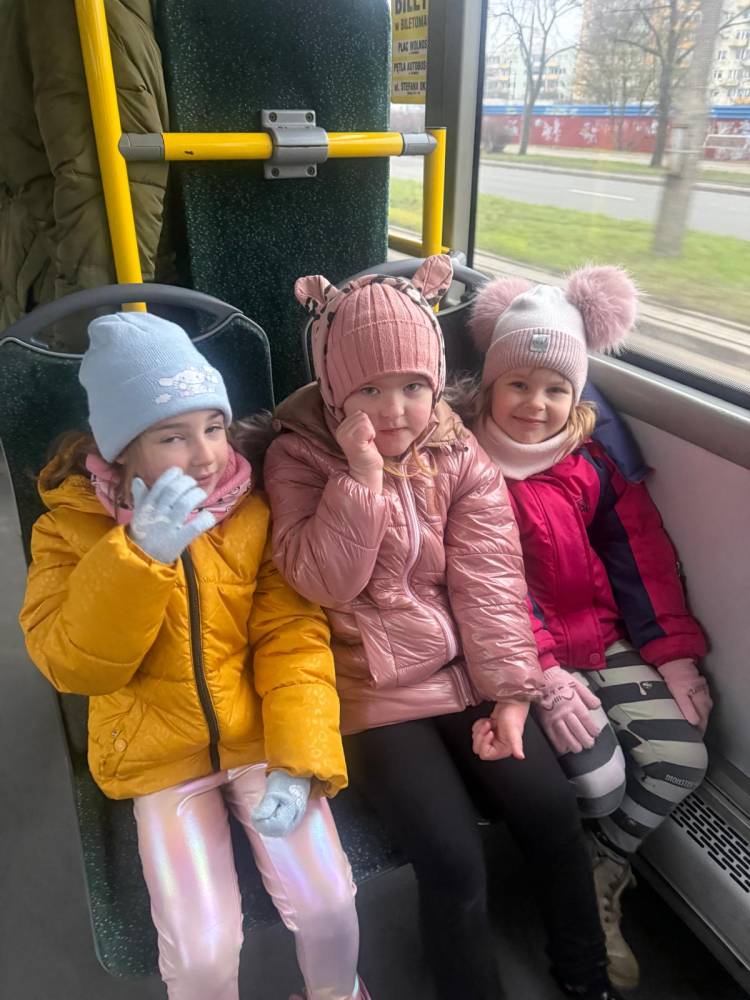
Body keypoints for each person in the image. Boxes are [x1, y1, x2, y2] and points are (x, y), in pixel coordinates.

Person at [263, 255, 624, 1000]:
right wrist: (361, 481)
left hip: (465, 674)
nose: (395, 410)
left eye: (413, 387)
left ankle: (586, 978)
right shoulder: (295, 457)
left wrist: (513, 696)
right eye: (370, 390)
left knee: (552, 808)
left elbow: (490, 582)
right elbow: (322, 581)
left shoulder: (457, 451)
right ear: (334, 391)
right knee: (454, 858)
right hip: (369, 691)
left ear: (435, 384)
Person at [19, 312, 368, 1000]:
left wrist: (299, 757)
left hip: (260, 737)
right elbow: (74, 666)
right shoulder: (68, 533)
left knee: (330, 904)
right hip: (157, 758)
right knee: (204, 955)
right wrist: (136, 559)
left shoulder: (251, 513)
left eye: (214, 427)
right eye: (173, 436)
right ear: (123, 449)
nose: (207, 455)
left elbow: (292, 635)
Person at [464, 266, 712, 990]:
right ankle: (567, 864)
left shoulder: (590, 461)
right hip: (524, 655)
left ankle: (605, 865)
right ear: (489, 387)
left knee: (684, 757)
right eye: (518, 384)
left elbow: (640, 559)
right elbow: (480, 586)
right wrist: (539, 673)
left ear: (576, 396)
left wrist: (672, 653)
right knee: (599, 784)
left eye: (555, 389)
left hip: (599, 637)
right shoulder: (466, 467)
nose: (535, 405)